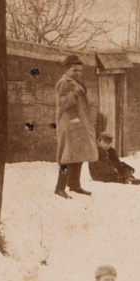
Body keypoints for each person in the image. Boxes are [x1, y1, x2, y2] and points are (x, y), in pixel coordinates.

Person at [55, 55, 97, 199]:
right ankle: (59, 188)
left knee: (79, 154)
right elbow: (62, 104)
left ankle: (74, 185)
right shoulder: (63, 83)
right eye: (75, 70)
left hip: (79, 123)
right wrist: (75, 93)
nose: (78, 73)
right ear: (67, 70)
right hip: (70, 124)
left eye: (80, 70)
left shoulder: (75, 82)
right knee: (67, 157)